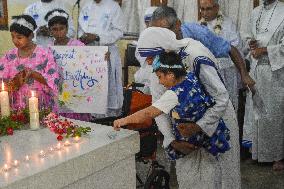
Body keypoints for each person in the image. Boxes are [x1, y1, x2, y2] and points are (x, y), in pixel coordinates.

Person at [120, 27, 240, 189]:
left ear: (165, 50)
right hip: (183, 132)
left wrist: (199, 126)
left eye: (150, 56)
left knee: (219, 178)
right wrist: (172, 140)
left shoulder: (195, 55)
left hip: (216, 122)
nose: (148, 62)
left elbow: (221, 98)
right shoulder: (158, 68)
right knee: (189, 179)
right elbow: (158, 108)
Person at [243, 0, 284, 171]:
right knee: (256, 112)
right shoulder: (255, 12)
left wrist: (266, 50)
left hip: (276, 71)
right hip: (256, 69)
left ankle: (278, 156)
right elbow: (245, 36)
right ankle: (257, 153)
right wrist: (250, 43)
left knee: (274, 114)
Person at [0, 14, 59, 111]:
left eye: (19, 37)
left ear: (31, 35)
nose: (15, 41)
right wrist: (13, 83)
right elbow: (2, 81)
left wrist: (33, 74)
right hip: (16, 109)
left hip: (41, 107)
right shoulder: (9, 56)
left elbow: (53, 81)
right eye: (12, 37)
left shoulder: (44, 54)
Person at [78, 0, 125, 117]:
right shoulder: (86, 6)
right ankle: (90, 115)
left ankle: (108, 118)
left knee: (107, 87)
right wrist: (83, 37)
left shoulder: (113, 7)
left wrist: (97, 37)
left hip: (106, 52)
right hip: (88, 52)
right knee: (89, 84)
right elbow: (80, 29)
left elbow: (119, 31)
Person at [45, 9, 91, 122]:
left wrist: (102, 57)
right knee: (59, 118)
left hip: (75, 87)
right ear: (50, 31)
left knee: (76, 119)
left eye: (61, 28)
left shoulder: (78, 45)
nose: (58, 32)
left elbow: (90, 62)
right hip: (57, 89)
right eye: (54, 29)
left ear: (66, 29)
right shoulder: (48, 48)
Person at [199, 0, 242, 111]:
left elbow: (235, 46)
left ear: (217, 8)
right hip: (207, 73)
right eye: (202, 9)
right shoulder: (198, 26)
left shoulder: (227, 24)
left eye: (208, 9)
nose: (204, 13)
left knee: (228, 105)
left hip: (226, 72)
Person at [133, 6, 158, 94]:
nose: (148, 25)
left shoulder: (163, 33)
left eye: (150, 22)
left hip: (160, 69)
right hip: (146, 68)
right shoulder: (144, 34)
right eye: (146, 22)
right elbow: (138, 53)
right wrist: (149, 57)